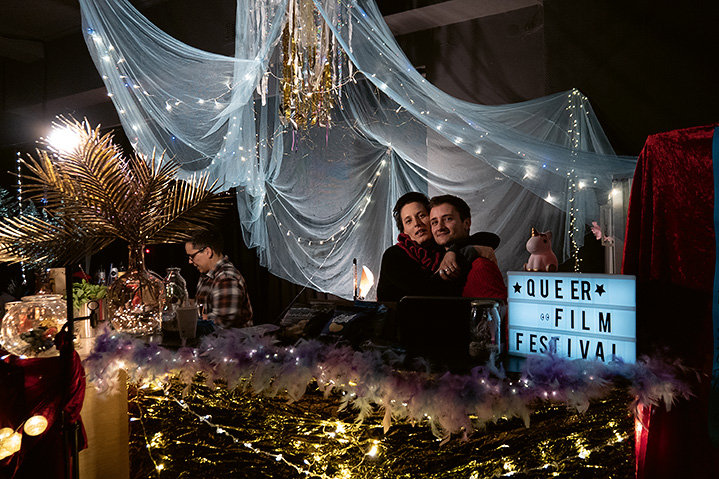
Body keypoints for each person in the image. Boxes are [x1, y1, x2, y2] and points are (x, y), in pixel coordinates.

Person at [376, 192, 498, 302]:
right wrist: (465, 252)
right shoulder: (394, 255)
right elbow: (428, 291)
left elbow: (490, 238)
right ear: (404, 231)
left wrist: (453, 251)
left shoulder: (441, 248)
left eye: (421, 216)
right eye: (408, 221)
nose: (417, 223)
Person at [428, 195, 507, 301]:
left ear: (467, 223)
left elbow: (497, 308)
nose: (440, 227)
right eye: (434, 222)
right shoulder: (430, 258)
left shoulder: (481, 266)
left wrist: (454, 251)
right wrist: (453, 251)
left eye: (448, 219)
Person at [185, 227, 253, 328]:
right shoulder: (208, 275)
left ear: (208, 252)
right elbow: (203, 307)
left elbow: (223, 323)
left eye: (192, 256)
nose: (190, 261)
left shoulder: (226, 278)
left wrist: (185, 317)